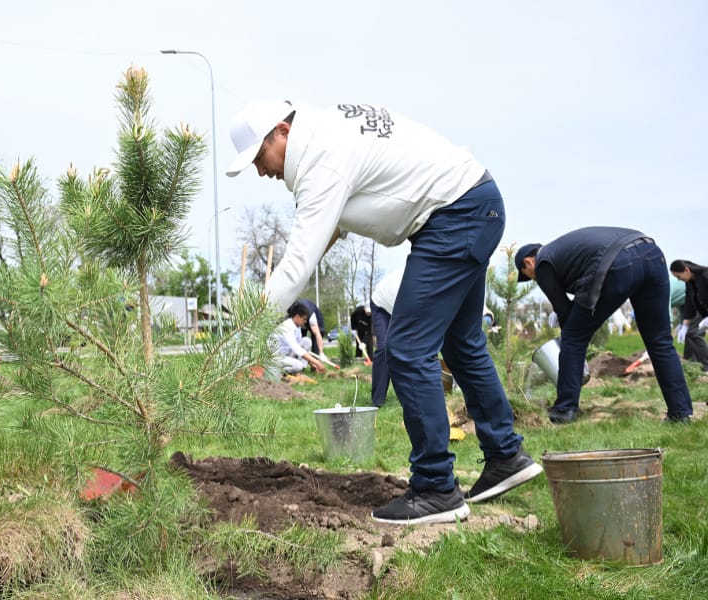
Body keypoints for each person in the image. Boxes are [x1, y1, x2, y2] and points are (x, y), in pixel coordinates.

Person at [226, 99, 541, 525]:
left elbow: (297, 261)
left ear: (282, 131)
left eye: (259, 158)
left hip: (454, 215)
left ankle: (435, 487)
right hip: (474, 202)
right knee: (462, 343)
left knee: (408, 349)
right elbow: (326, 232)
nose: (262, 172)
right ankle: (506, 456)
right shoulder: (328, 134)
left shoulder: (321, 158)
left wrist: (246, 330)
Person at [516, 229, 693, 424]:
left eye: (528, 275)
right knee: (659, 340)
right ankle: (680, 412)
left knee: (573, 337)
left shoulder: (542, 263)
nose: (533, 279)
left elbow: (565, 314)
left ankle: (564, 409)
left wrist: (570, 345)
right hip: (651, 253)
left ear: (528, 262)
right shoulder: (562, 251)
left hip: (618, 262)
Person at [369, 268, 403, 407]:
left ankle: (408, 394)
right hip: (381, 304)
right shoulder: (409, 288)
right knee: (384, 347)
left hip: (397, 307)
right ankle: (377, 399)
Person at [669, 259, 708, 372]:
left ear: (686, 270)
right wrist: (684, 325)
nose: (678, 280)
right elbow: (689, 304)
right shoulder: (690, 283)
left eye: (678, 276)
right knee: (691, 331)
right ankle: (691, 363)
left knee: (694, 333)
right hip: (703, 313)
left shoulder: (705, 276)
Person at [273, 301, 326, 376]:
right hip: (275, 358)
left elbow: (300, 348)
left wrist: (312, 364)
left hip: (287, 355)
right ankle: (279, 371)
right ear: (297, 317)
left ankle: (297, 371)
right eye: (304, 319)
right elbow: (297, 350)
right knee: (298, 365)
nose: (305, 322)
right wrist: (317, 362)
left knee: (306, 341)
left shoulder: (297, 327)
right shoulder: (287, 326)